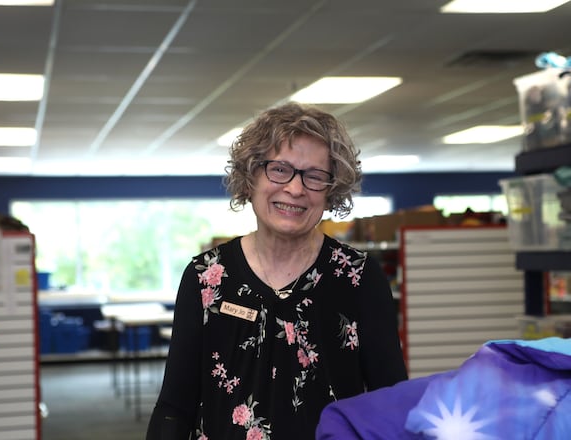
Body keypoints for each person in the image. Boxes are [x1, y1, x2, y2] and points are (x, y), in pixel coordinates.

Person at [145, 102, 407, 439]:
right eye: (280, 169)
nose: (295, 189)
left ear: (330, 190)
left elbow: (392, 401)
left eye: (314, 176)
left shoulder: (358, 277)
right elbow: (175, 406)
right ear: (250, 176)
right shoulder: (206, 276)